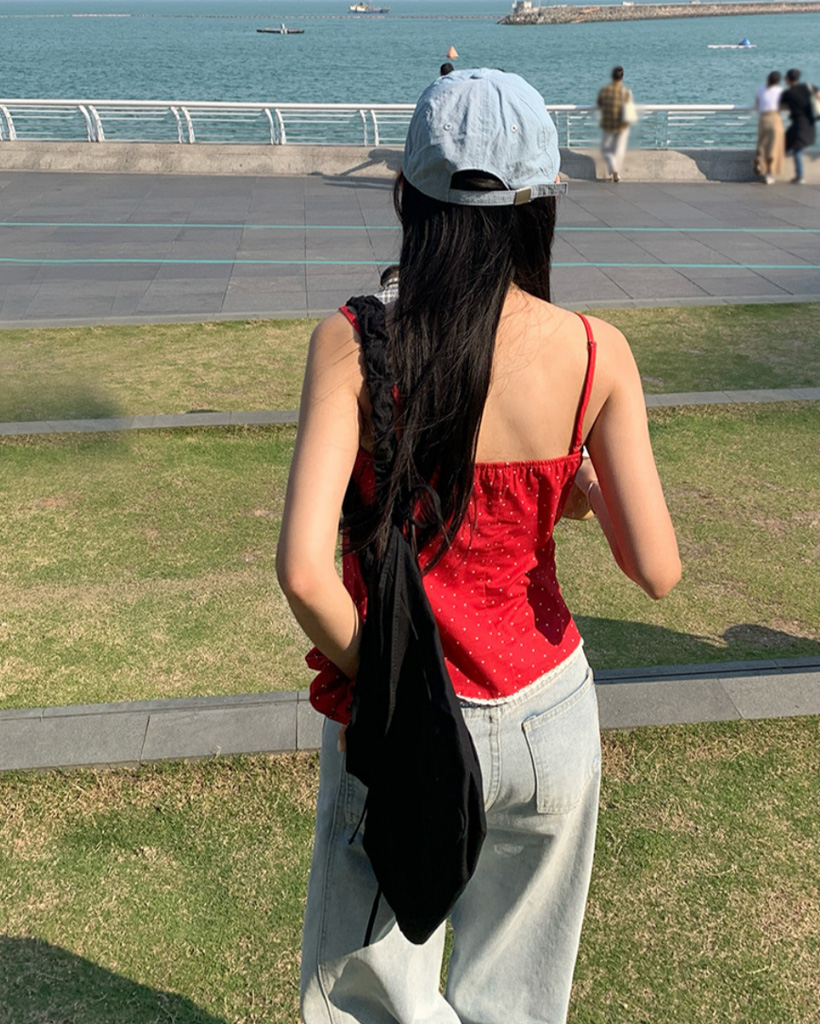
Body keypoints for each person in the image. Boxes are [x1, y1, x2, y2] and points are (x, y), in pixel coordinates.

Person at [277, 68, 680, 1024]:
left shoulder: (355, 342)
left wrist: (391, 677)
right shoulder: (596, 351)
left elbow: (303, 572)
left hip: (404, 715)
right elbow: (658, 570)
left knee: (373, 990)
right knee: (519, 998)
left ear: (405, 196)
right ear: (542, 204)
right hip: (549, 714)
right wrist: (577, 490)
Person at [597, 65, 633, 183]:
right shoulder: (626, 92)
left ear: (612, 76)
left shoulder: (605, 90)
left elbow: (600, 103)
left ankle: (613, 168)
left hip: (608, 124)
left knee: (606, 150)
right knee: (619, 149)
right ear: (622, 77)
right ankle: (616, 170)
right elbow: (629, 109)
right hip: (622, 126)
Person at [780, 68, 817, 184]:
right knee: (791, 145)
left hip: (799, 124)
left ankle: (800, 176)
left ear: (787, 79)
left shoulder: (788, 93)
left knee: (796, 148)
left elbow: (779, 104)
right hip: (810, 122)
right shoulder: (807, 86)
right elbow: (818, 95)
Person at [754, 71, 785, 184]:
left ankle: (761, 167)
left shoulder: (760, 89)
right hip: (775, 117)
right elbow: (782, 105)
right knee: (774, 147)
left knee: (762, 145)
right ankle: (770, 173)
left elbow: (757, 103)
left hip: (763, 118)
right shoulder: (780, 91)